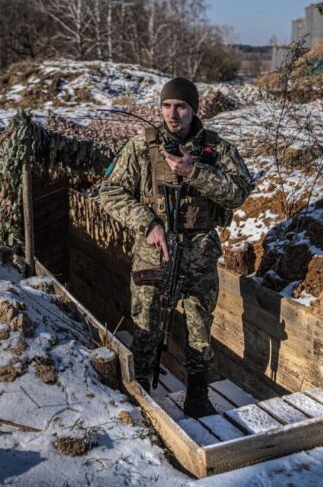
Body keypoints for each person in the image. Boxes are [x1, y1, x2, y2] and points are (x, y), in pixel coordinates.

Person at [100, 77, 251, 417]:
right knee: (145, 326)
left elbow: (239, 191)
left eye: (181, 106)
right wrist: (149, 224)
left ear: (194, 109)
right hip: (153, 254)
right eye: (167, 106)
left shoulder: (215, 149)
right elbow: (109, 191)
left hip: (199, 255)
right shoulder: (143, 146)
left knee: (200, 330)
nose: (173, 114)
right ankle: (139, 395)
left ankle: (197, 398)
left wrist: (194, 172)